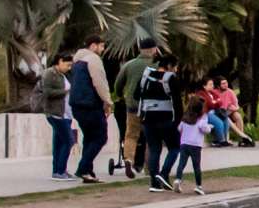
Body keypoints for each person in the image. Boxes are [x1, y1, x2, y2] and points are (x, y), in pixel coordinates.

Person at [69, 37, 113, 185]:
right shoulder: (93, 59)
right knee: (100, 137)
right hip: (90, 104)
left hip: (77, 105)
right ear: (93, 46)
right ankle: (83, 169)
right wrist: (107, 101)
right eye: (101, 46)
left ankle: (88, 172)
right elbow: (99, 82)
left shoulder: (77, 61)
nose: (102, 50)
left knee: (89, 137)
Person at [112, 40, 159, 178]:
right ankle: (149, 167)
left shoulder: (129, 65)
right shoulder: (157, 64)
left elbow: (118, 84)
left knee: (131, 135)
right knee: (152, 138)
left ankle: (128, 159)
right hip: (152, 107)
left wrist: (120, 95)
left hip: (132, 105)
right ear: (153, 49)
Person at [137, 51, 181, 194]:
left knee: (154, 149)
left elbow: (136, 95)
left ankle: (154, 183)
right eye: (175, 67)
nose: (176, 70)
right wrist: (178, 122)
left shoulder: (146, 77)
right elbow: (177, 102)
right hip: (166, 119)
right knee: (175, 148)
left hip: (148, 119)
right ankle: (163, 173)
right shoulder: (171, 78)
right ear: (169, 66)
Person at [165, 91, 211, 195]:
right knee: (196, 166)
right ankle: (199, 186)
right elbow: (205, 129)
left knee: (182, 163)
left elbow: (179, 128)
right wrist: (210, 128)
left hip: (184, 144)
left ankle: (177, 179)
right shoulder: (202, 119)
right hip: (196, 146)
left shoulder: (185, 118)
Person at [42, 50, 76, 180]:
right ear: (60, 61)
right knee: (69, 141)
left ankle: (58, 170)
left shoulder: (62, 75)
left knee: (59, 143)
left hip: (66, 114)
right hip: (56, 113)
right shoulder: (50, 74)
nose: (69, 68)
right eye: (67, 65)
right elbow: (47, 92)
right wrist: (65, 91)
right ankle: (60, 171)